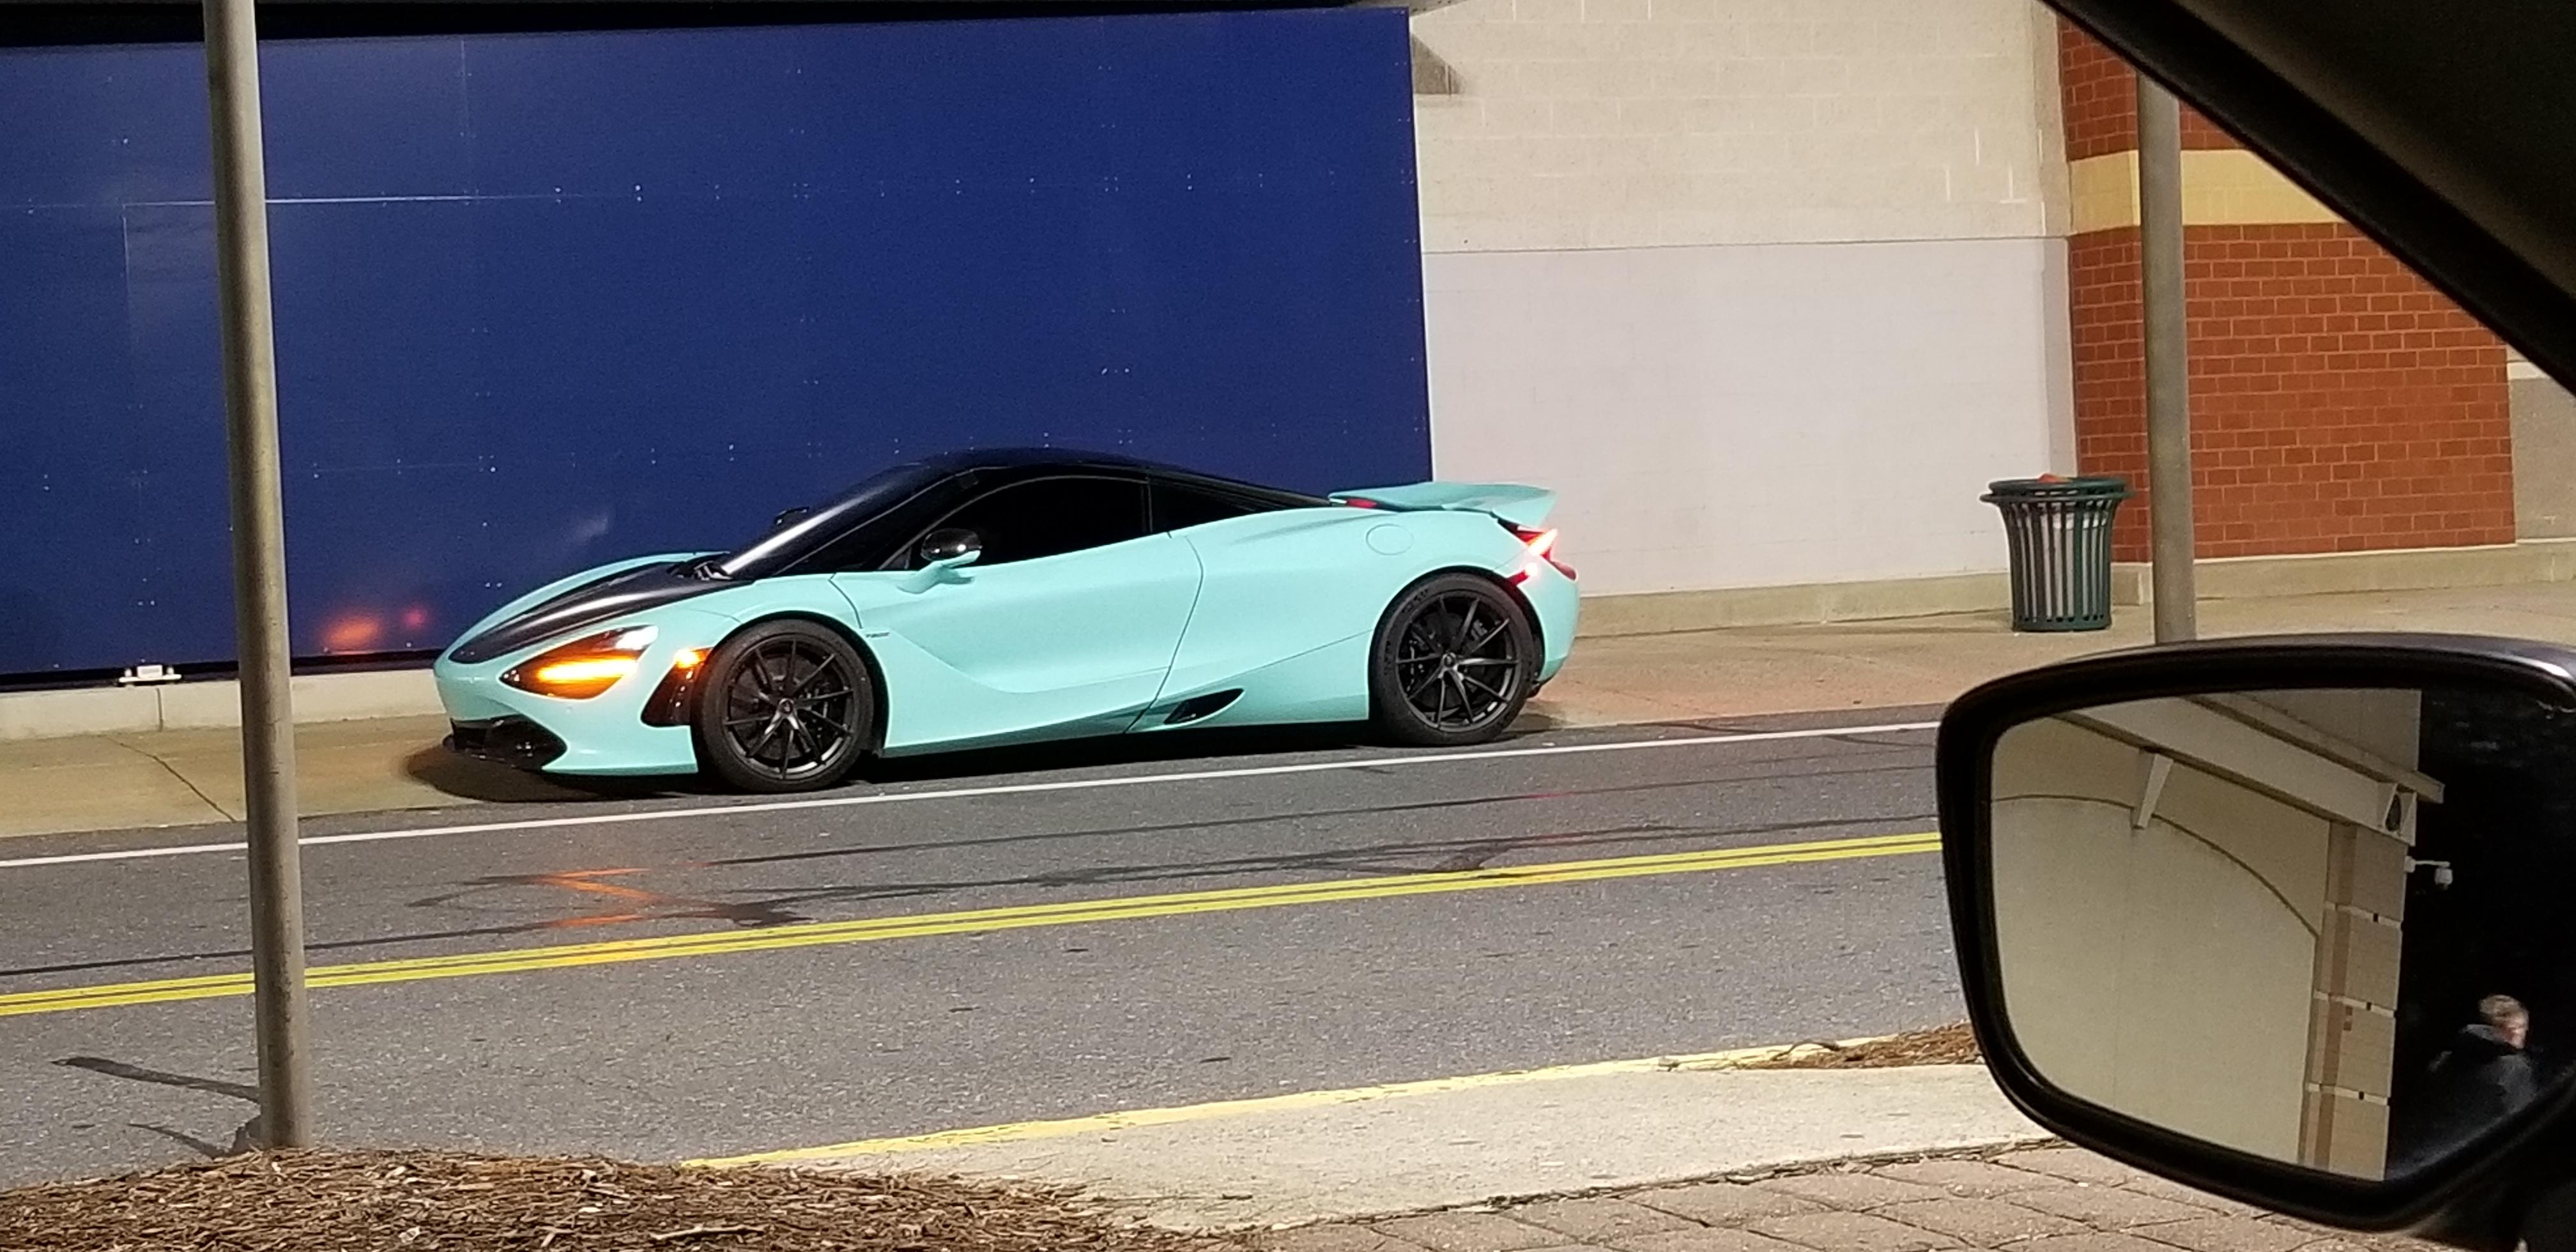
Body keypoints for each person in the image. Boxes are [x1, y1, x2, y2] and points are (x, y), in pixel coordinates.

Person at [2400, 995, 2540, 1175]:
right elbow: (2521, 1128)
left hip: (2428, 1162)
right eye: (2517, 1027)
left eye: (2523, 1028)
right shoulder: (2515, 1069)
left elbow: (2422, 1110)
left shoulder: (2444, 1062)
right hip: (2481, 1166)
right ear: (2503, 1028)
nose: (2521, 1033)